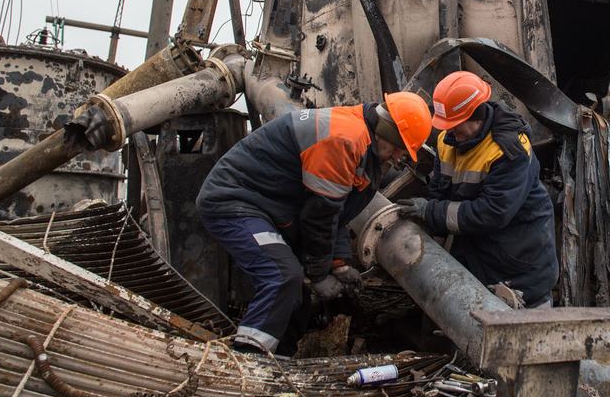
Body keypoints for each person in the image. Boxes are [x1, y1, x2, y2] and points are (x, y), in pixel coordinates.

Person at [196, 92, 431, 353]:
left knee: (296, 296)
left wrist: (340, 264)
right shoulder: (345, 138)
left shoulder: (363, 141)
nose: (399, 158)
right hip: (235, 202)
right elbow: (321, 214)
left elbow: (338, 211)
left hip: (268, 207)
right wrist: (319, 274)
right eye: (400, 149)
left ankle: (281, 365)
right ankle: (249, 364)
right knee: (282, 277)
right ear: (388, 132)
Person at [397, 71, 558, 308]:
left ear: (477, 116)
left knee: (524, 337)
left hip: (520, 266)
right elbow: (440, 190)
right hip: (477, 258)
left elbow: (492, 213)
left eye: (455, 125)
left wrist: (431, 212)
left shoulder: (509, 150)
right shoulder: (447, 139)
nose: (450, 132)